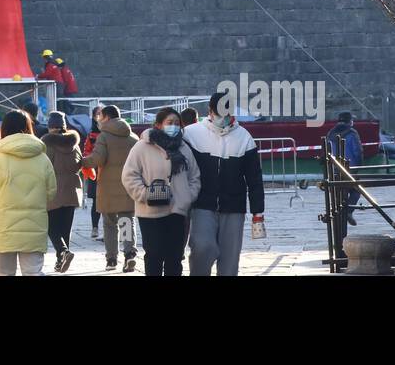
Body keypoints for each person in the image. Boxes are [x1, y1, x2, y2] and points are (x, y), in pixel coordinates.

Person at [185, 92, 265, 277]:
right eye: (219, 112)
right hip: (202, 204)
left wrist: (257, 212)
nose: (223, 117)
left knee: (230, 261)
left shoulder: (244, 137)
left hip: (234, 207)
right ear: (210, 111)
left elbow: (254, 178)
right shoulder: (191, 134)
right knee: (202, 247)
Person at [122, 107, 201, 276]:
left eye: (177, 123)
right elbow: (129, 176)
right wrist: (145, 194)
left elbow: (194, 177)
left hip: (177, 210)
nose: (173, 126)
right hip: (150, 212)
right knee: (154, 256)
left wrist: (187, 196)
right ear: (158, 125)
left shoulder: (183, 148)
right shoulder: (142, 147)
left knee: (175, 257)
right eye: (169, 123)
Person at [0, 109, 56, 276]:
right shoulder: (42, 158)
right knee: (33, 272)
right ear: (28, 127)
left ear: (4, 129)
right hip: (35, 224)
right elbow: (51, 192)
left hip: (4, 225)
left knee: (3, 272)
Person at [80, 104, 139, 272]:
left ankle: (112, 259)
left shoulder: (104, 137)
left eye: (100, 116)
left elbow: (97, 159)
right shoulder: (133, 137)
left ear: (106, 118)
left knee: (110, 224)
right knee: (127, 221)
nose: (98, 119)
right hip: (128, 186)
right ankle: (130, 255)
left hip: (107, 188)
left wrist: (82, 161)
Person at [43, 110, 83, 272]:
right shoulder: (74, 143)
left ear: (50, 127)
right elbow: (79, 164)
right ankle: (61, 259)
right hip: (72, 189)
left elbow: (44, 166)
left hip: (53, 189)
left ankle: (62, 251)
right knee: (65, 227)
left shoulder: (46, 144)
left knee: (51, 226)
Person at [325, 111, 363, 225]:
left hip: (334, 169)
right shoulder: (352, 133)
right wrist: (359, 166)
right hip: (350, 168)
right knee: (357, 190)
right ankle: (349, 211)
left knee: (338, 193)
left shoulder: (331, 133)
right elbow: (357, 151)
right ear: (350, 121)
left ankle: (338, 219)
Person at [82, 106, 102, 238]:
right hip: (96, 170)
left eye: (102, 114)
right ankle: (95, 227)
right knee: (96, 201)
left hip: (109, 171)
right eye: (97, 114)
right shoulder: (91, 135)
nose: (100, 117)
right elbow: (86, 152)